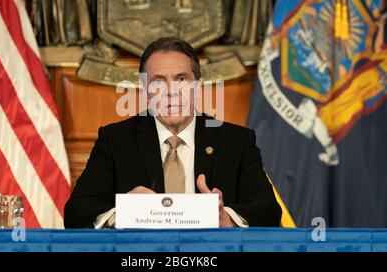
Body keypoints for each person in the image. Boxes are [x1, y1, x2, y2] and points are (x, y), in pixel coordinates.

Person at [64, 36, 282, 228]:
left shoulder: (237, 141)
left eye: (181, 79)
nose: (171, 92)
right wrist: (122, 214)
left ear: (197, 86)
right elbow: (76, 212)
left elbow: (269, 211)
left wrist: (226, 219)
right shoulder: (115, 141)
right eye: (159, 81)